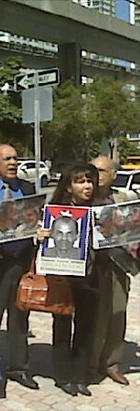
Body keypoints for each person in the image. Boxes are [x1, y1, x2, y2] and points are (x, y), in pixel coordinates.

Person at [37, 163, 100, 397]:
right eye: (80, 181)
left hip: (91, 277)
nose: (87, 186)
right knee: (62, 325)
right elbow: (43, 242)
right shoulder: (55, 211)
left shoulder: (100, 209)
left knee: (86, 327)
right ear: (69, 186)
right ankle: (63, 376)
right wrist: (41, 235)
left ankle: (80, 376)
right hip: (62, 277)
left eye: (90, 181)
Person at [0, 143, 38, 390]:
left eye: (16, 158)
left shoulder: (27, 189)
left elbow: (36, 219)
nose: (13, 163)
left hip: (20, 263)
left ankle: (19, 368)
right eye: (7, 159)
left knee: (19, 320)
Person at [88, 155, 133, 386]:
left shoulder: (125, 199)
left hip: (117, 265)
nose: (97, 175)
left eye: (103, 171)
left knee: (117, 314)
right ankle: (90, 365)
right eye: (93, 170)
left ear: (114, 174)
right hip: (89, 267)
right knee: (92, 318)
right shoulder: (82, 196)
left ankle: (111, 363)